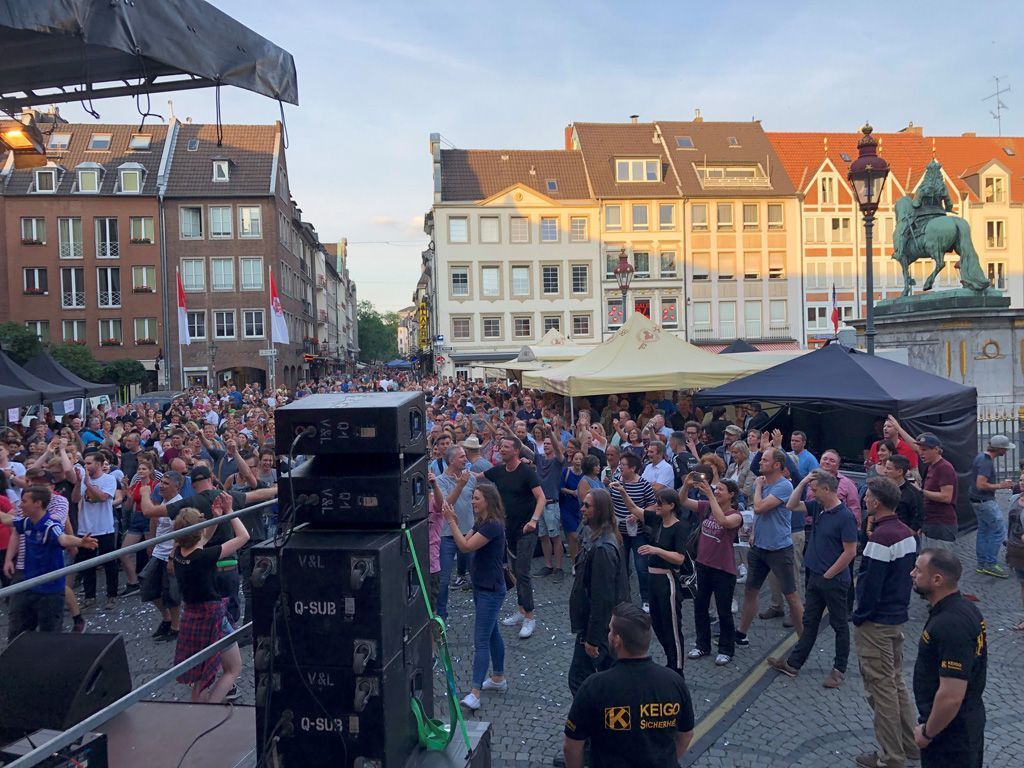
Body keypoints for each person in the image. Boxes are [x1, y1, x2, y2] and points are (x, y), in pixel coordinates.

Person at [563, 602, 695, 768]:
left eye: (610, 630)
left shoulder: (595, 686)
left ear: (617, 640)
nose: (608, 634)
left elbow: (572, 746)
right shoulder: (674, 683)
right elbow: (686, 734)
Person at [852, 477, 920, 768]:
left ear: (876, 502)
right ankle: (910, 744)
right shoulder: (905, 533)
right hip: (896, 616)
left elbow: (870, 585)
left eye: (867, 496)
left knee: (880, 690)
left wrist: (859, 615)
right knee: (896, 684)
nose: (864, 500)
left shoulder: (881, 538)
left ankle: (890, 756)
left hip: (876, 622)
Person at [769, 470, 858, 687]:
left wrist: (829, 574)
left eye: (815, 490)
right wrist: (804, 482)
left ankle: (839, 669)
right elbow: (791, 505)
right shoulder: (818, 507)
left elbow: (850, 552)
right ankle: (794, 664)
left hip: (834, 580)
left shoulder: (845, 517)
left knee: (839, 625)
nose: (813, 494)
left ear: (827, 489)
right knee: (809, 623)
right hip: (815, 576)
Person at [910, 549, 987, 768]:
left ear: (937, 580)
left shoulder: (950, 624)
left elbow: (951, 695)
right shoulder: (962, 608)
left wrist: (927, 732)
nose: (912, 573)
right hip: (957, 726)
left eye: (918, 569)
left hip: (951, 734)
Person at [171, 501, 249, 703]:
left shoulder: (179, 554)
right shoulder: (204, 557)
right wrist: (230, 512)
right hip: (213, 616)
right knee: (233, 669)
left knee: (201, 676)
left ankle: (197, 715)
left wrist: (216, 518)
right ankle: (207, 713)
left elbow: (202, 539)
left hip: (192, 616)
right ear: (199, 529)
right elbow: (243, 537)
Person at [443, 484, 508, 711]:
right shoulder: (482, 523)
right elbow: (464, 543)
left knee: (481, 640)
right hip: (483, 586)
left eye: (476, 498)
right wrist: (455, 523)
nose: (472, 501)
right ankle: (498, 677)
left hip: (490, 589)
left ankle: (475, 692)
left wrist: (450, 521)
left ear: (488, 501)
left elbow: (465, 546)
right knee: (492, 633)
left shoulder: (492, 526)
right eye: (472, 497)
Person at [618, 486, 694, 679]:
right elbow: (634, 509)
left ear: (671, 505)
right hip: (653, 579)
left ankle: (677, 668)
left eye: (660, 503)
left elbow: (679, 558)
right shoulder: (657, 519)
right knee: (658, 624)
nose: (656, 506)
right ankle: (670, 661)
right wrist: (622, 492)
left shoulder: (680, 526)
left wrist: (656, 550)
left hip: (667, 578)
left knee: (672, 625)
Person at [0, 487, 98, 635]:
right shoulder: (27, 522)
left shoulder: (50, 525)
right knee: (18, 633)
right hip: (29, 586)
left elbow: (63, 538)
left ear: (37, 504)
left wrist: (79, 541)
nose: (20, 505)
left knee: (49, 637)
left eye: (24, 501)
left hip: (49, 592)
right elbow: (6, 519)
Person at [735, 448, 803, 647]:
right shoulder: (764, 482)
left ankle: (803, 639)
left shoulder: (784, 486)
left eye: (765, 460)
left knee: (790, 594)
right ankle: (741, 632)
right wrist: (754, 533)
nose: (760, 463)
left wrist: (757, 488)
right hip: (759, 547)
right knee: (750, 591)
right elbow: (758, 516)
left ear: (777, 465)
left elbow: (760, 507)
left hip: (779, 549)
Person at [568, 489, 629, 695]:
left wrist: (592, 639)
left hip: (599, 628)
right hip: (595, 625)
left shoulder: (603, 548)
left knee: (581, 680)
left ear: (600, 510)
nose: (582, 509)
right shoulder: (593, 535)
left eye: (587, 505)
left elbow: (602, 598)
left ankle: (596, 722)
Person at [484, 436, 544, 639]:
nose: (501, 449)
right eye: (500, 446)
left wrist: (534, 520)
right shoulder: (499, 471)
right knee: (515, 572)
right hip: (507, 529)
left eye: (506, 446)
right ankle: (521, 611)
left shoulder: (526, 472)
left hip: (526, 530)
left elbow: (541, 497)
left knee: (523, 572)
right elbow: (478, 476)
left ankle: (530, 617)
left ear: (516, 451)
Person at [685, 477, 743, 665]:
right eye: (715, 489)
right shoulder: (707, 506)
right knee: (700, 606)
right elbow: (683, 501)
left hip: (724, 569)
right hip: (703, 565)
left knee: (723, 610)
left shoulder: (736, 515)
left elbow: (723, 521)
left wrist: (710, 495)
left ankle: (726, 648)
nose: (717, 492)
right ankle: (702, 644)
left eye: (721, 490)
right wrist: (686, 486)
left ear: (731, 495)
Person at [608, 453, 656, 612]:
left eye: (623, 465)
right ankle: (623, 597)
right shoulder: (616, 481)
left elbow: (653, 506)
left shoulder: (643, 484)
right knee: (621, 566)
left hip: (639, 533)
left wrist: (638, 514)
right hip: (619, 532)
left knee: (641, 566)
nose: (620, 467)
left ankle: (647, 599)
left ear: (633, 468)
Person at [142, 470, 185, 641]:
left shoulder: (178, 505)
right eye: (162, 482)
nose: (161, 486)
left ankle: (176, 626)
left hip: (170, 554)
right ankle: (166, 618)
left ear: (177, 486)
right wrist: (151, 542)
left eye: (166, 484)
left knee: (170, 592)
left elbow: (180, 534)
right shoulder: (162, 501)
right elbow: (153, 518)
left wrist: (173, 557)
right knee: (148, 585)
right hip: (158, 551)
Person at [73, 451, 119, 609]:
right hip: (85, 529)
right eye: (85, 463)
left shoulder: (109, 479)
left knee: (109, 564)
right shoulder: (84, 481)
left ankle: (112, 595)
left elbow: (103, 497)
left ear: (99, 464)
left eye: (89, 463)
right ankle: (89, 595)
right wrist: (79, 483)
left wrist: (88, 483)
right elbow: (74, 499)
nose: (86, 466)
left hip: (104, 528)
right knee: (87, 565)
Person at [436, 444, 476, 621]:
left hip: (470, 534)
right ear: (451, 460)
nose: (465, 459)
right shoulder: (439, 481)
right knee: (443, 580)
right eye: (461, 457)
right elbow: (446, 506)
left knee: (476, 575)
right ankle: (441, 616)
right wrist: (460, 486)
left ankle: (481, 609)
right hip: (447, 536)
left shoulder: (471, 479)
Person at [968, 435, 1014, 578]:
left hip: (976, 500)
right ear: (1000, 449)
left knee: (984, 530)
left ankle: (982, 563)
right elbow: (981, 484)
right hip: (985, 501)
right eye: (1005, 449)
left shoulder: (980, 457)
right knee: (998, 532)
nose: (1006, 452)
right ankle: (990, 563)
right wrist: (1001, 485)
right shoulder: (986, 462)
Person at [534, 429, 566, 581]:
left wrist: (551, 434)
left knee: (556, 537)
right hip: (539, 505)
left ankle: (559, 568)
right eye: (544, 443)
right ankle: (548, 565)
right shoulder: (539, 459)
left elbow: (559, 450)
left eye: (549, 444)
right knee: (543, 536)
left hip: (552, 505)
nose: (546, 446)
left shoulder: (558, 461)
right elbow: (522, 447)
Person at [559, 450, 586, 570]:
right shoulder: (566, 471)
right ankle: (575, 564)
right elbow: (560, 487)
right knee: (573, 536)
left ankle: (580, 560)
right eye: (576, 458)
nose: (578, 461)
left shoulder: (585, 474)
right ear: (572, 459)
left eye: (581, 459)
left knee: (580, 537)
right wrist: (572, 492)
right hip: (567, 507)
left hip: (581, 508)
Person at [885, 455, 923, 534]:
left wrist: (905, 536)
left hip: (902, 537)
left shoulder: (912, 494)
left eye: (888, 468)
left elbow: (917, 520)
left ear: (900, 471)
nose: (885, 471)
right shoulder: (883, 489)